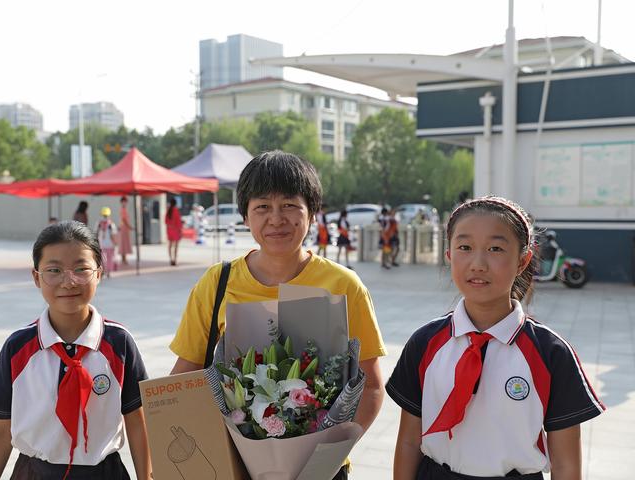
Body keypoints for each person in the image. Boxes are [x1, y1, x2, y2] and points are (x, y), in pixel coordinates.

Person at [169, 151, 387, 480]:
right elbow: (182, 378)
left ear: (312, 212)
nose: (276, 218)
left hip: (322, 471)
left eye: (289, 205)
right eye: (262, 207)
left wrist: (328, 458)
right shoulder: (217, 283)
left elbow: (370, 386)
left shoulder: (343, 286)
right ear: (245, 217)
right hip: (236, 465)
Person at [387, 196, 605, 480]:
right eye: (464, 247)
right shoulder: (425, 343)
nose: (478, 263)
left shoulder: (551, 354)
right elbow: (408, 441)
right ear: (449, 255)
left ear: (522, 260)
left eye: (495, 248)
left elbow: (565, 465)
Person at [0, 221, 151, 480]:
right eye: (54, 270)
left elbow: (136, 420)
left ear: (99, 273)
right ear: (36, 277)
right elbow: (3, 429)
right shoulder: (18, 347)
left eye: (81, 269)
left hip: (104, 473)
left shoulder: (119, 342)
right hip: (33, 472)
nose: (69, 282)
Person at [97, 207, 118, 278]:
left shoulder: (99, 223)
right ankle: (108, 272)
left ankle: (102, 272)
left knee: (102, 259)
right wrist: (115, 243)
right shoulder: (111, 224)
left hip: (101, 244)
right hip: (110, 245)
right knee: (110, 259)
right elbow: (114, 235)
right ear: (109, 215)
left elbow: (95, 233)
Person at [165, 198, 183, 266]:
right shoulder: (175, 210)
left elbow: (166, 221)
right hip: (175, 230)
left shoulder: (168, 210)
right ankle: (175, 259)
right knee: (176, 246)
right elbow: (178, 222)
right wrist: (180, 231)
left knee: (170, 245)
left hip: (169, 230)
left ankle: (171, 259)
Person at [118, 196, 133, 266]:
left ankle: (124, 258)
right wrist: (129, 226)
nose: (125, 203)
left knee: (124, 243)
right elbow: (124, 219)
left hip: (124, 228)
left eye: (125, 201)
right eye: (123, 201)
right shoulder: (123, 209)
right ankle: (123, 258)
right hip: (124, 227)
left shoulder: (124, 209)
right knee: (123, 243)